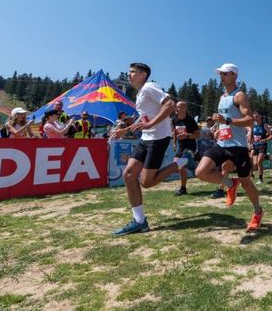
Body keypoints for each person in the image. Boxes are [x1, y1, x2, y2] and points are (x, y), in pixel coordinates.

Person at [111, 63, 183, 236]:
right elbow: (144, 118)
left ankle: (180, 163)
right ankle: (139, 221)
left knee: (147, 182)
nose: (129, 75)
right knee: (128, 175)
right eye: (129, 71)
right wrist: (125, 130)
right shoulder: (140, 93)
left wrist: (150, 124)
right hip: (146, 138)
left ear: (143, 75)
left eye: (133, 72)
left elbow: (170, 105)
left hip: (158, 138)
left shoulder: (150, 86)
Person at [195, 63, 263, 232]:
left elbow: (249, 120)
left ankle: (257, 212)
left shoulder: (239, 96)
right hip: (222, 143)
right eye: (221, 74)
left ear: (234, 76)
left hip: (238, 146)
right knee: (200, 172)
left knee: (246, 182)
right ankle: (230, 184)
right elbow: (224, 120)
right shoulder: (221, 97)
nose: (222, 77)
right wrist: (219, 129)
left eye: (225, 74)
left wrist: (227, 121)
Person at [172, 101, 200, 196]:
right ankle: (193, 166)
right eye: (176, 106)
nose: (176, 108)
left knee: (179, 165)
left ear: (185, 109)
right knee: (177, 166)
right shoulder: (174, 119)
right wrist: (174, 143)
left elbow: (198, 134)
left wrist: (187, 135)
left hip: (190, 147)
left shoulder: (190, 120)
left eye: (178, 107)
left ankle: (183, 188)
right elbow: (174, 132)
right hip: (181, 146)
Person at [250, 111, 270, 185]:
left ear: (260, 116)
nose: (255, 118)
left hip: (262, 145)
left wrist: (266, 139)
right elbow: (251, 135)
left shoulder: (264, 125)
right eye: (254, 116)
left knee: (259, 162)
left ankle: (260, 179)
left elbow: (271, 135)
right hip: (255, 146)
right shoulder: (253, 125)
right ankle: (266, 156)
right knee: (255, 164)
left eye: (257, 116)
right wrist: (250, 143)